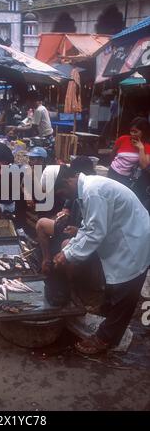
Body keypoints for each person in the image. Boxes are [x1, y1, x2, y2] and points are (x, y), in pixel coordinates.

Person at [52, 165, 150, 354]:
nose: (64, 197)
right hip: (124, 236)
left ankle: (106, 338)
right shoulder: (87, 190)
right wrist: (69, 249)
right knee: (115, 282)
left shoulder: (92, 191)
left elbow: (95, 232)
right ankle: (106, 312)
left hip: (133, 240)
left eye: (62, 192)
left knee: (126, 291)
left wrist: (68, 254)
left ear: (67, 182)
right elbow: (88, 227)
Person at [108, 117, 150, 187]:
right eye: (131, 131)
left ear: (143, 132)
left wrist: (141, 148)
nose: (132, 134)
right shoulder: (123, 139)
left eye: (135, 132)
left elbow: (144, 166)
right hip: (113, 171)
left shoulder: (146, 146)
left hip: (126, 177)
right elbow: (113, 154)